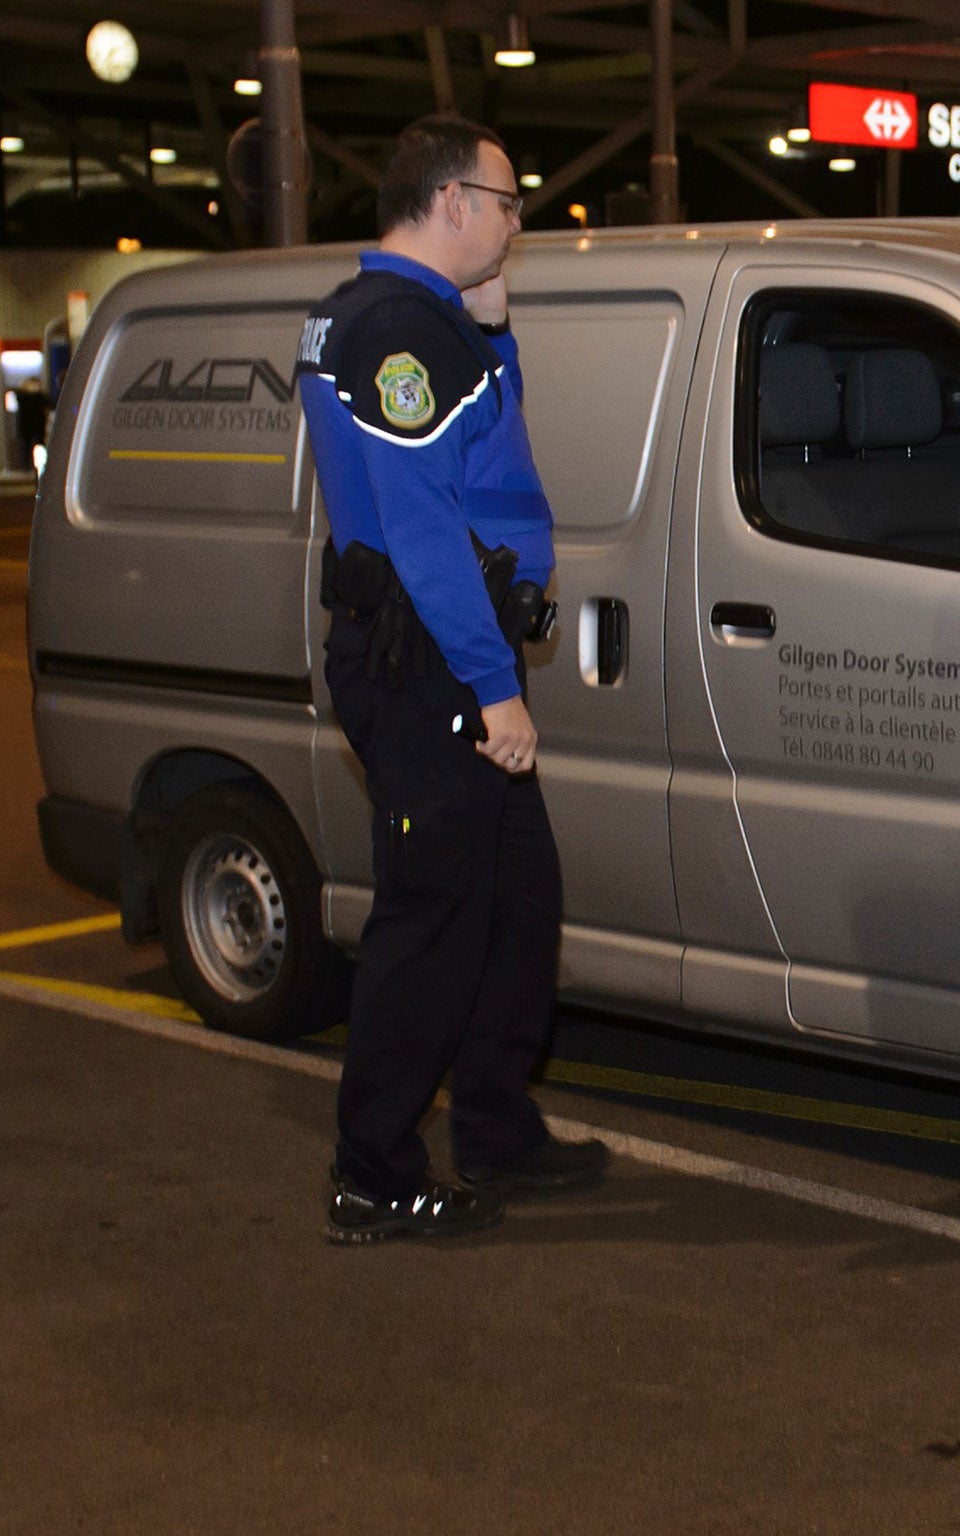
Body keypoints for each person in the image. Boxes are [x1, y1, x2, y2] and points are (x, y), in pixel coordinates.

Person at [297, 114, 607, 1243]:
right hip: (430, 662)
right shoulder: (394, 331)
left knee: (517, 901)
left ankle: (494, 1122)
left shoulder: (413, 318)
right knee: (430, 921)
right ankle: (371, 1173)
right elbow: (426, 529)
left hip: (444, 654)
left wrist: (495, 329)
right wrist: (492, 684)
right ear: (449, 200)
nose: (517, 219)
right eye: (508, 199)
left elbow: (489, 453)